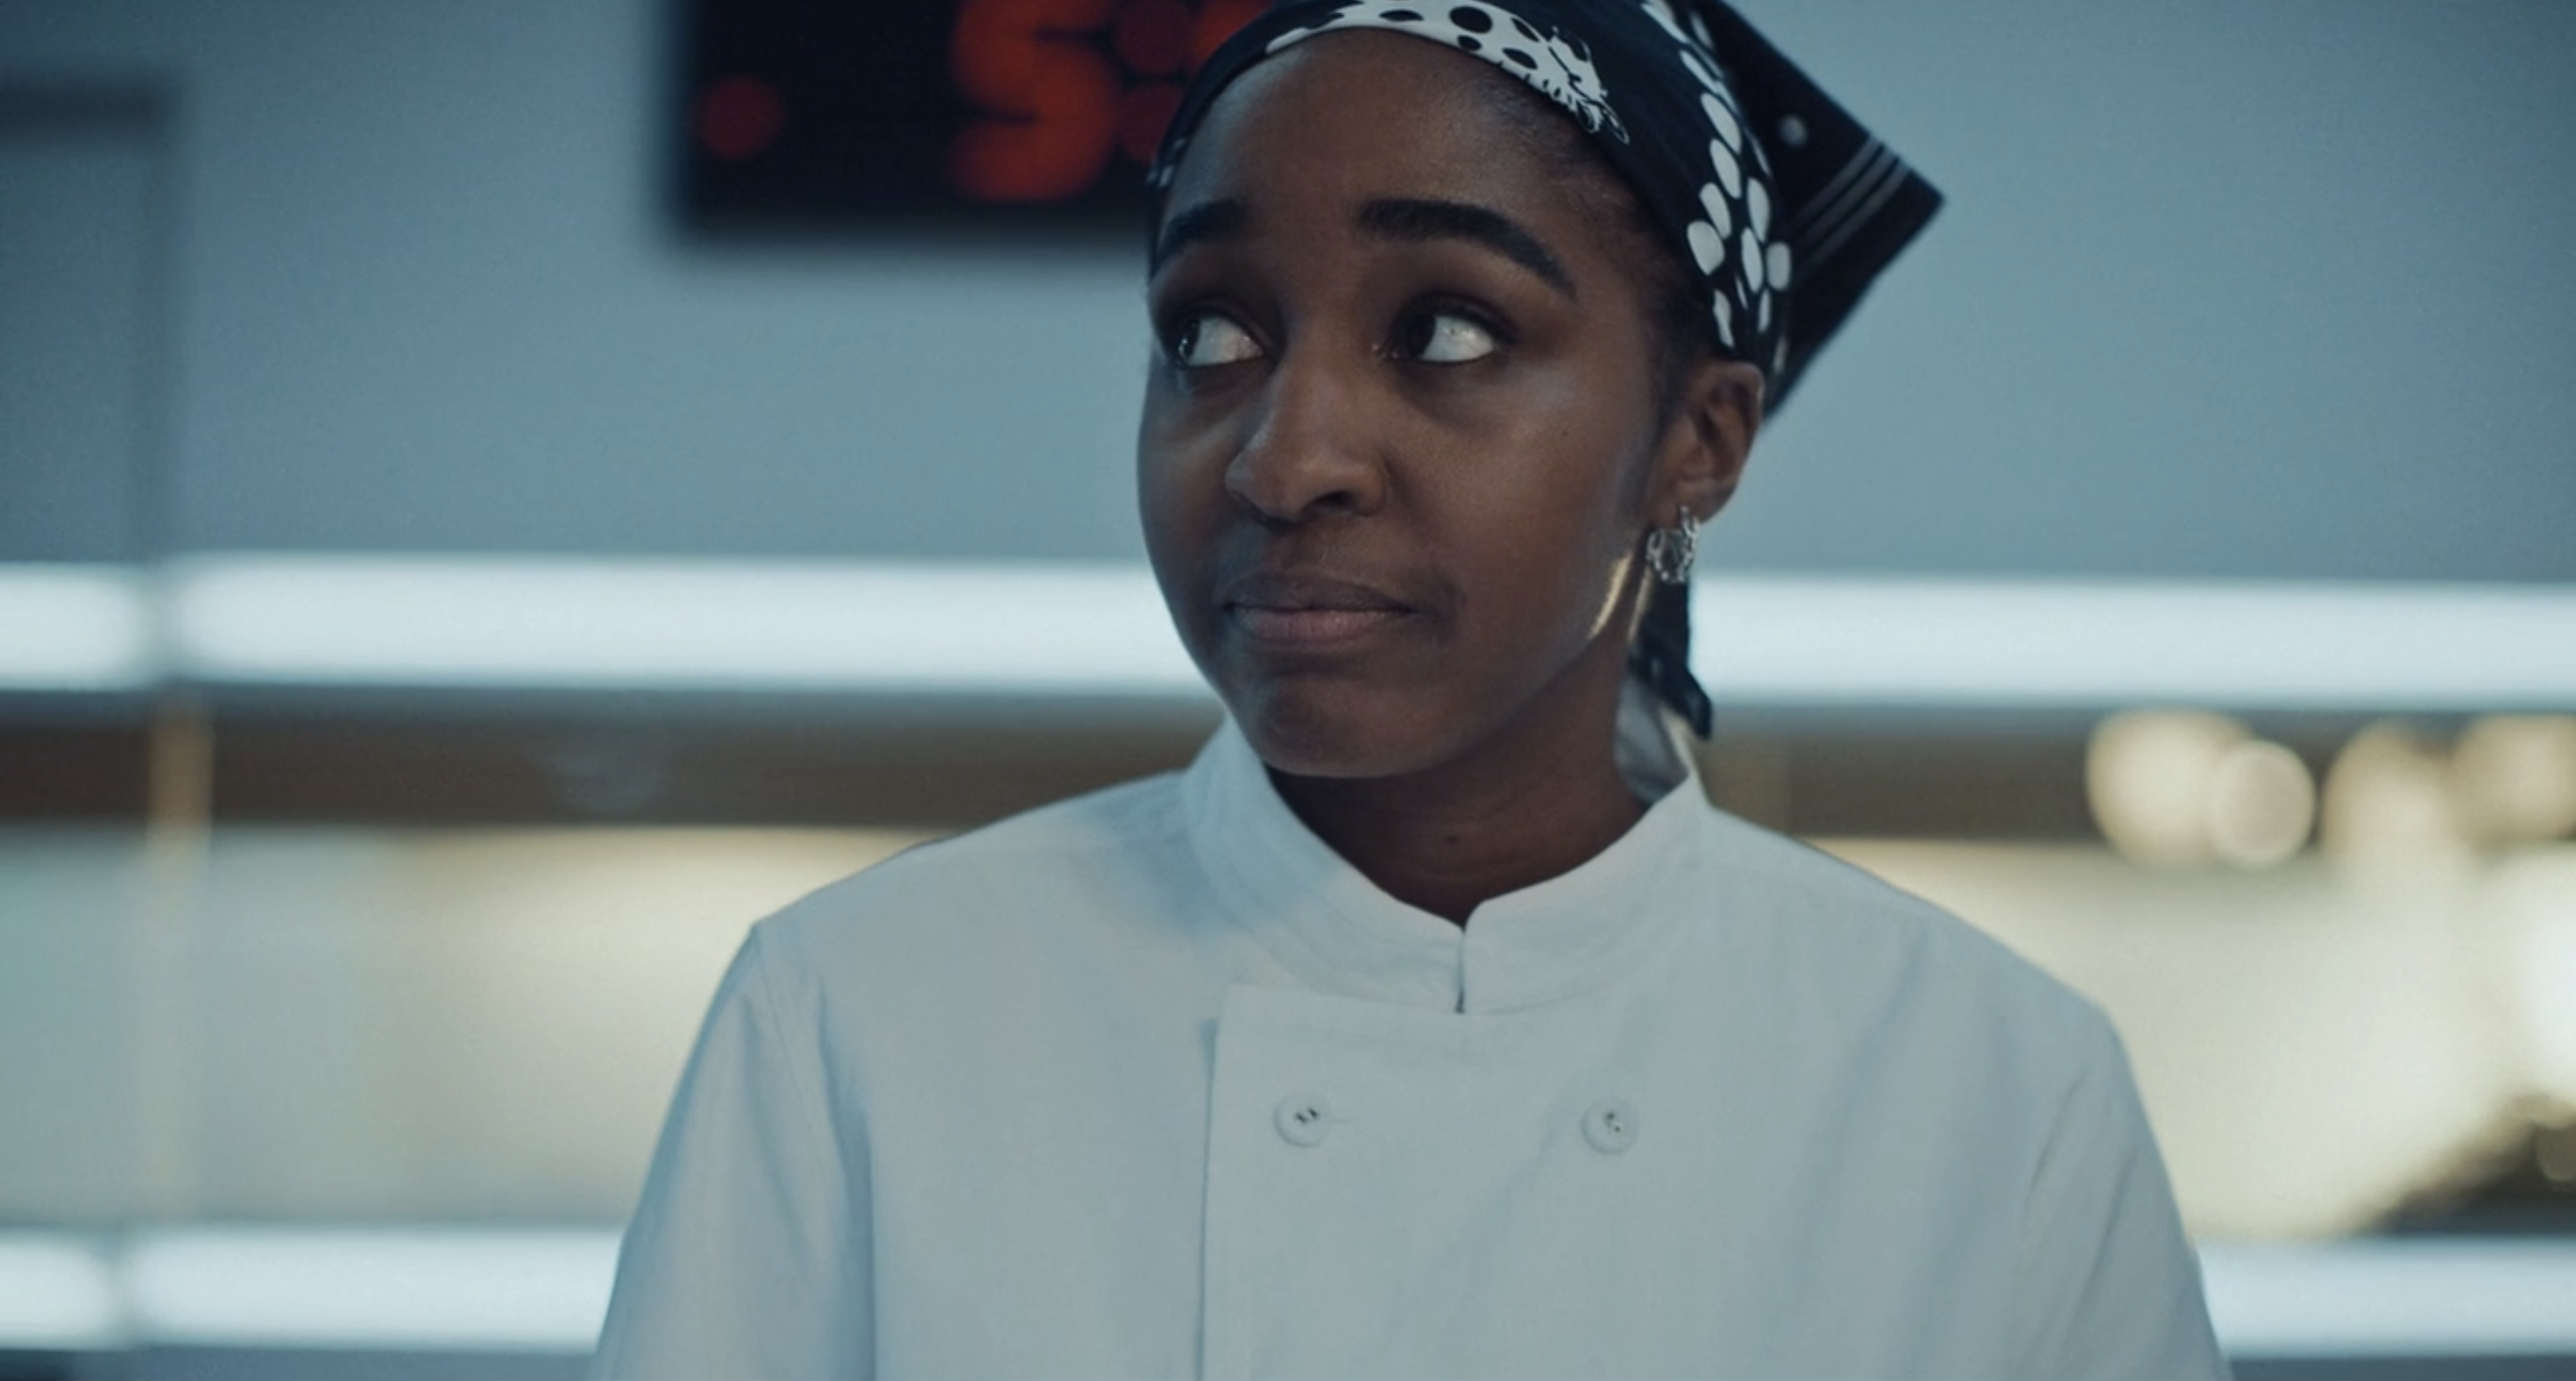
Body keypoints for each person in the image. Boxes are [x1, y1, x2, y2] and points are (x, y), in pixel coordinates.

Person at [594, 3, 2228, 1377]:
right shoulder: (858, 1018)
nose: (1285, 455)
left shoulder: (1988, 1094)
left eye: (1446, 331)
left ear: (1697, 443)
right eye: (1212, 332)